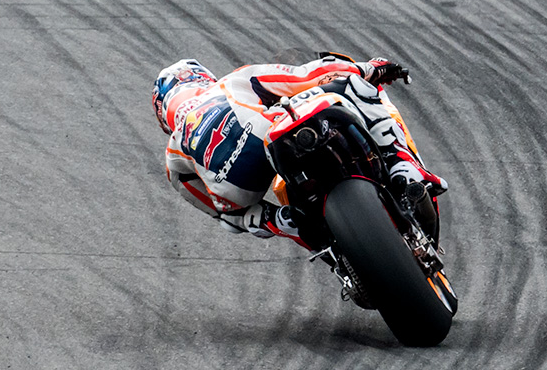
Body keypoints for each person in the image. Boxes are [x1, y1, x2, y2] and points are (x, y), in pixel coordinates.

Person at [151, 54, 447, 245]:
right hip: (264, 136)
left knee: (235, 216)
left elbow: (211, 207)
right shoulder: (230, 82)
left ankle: (293, 224)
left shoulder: (173, 152)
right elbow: (306, 75)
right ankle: (405, 169)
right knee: (357, 87)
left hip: (236, 187)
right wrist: (368, 68)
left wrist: (251, 217)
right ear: (200, 77)